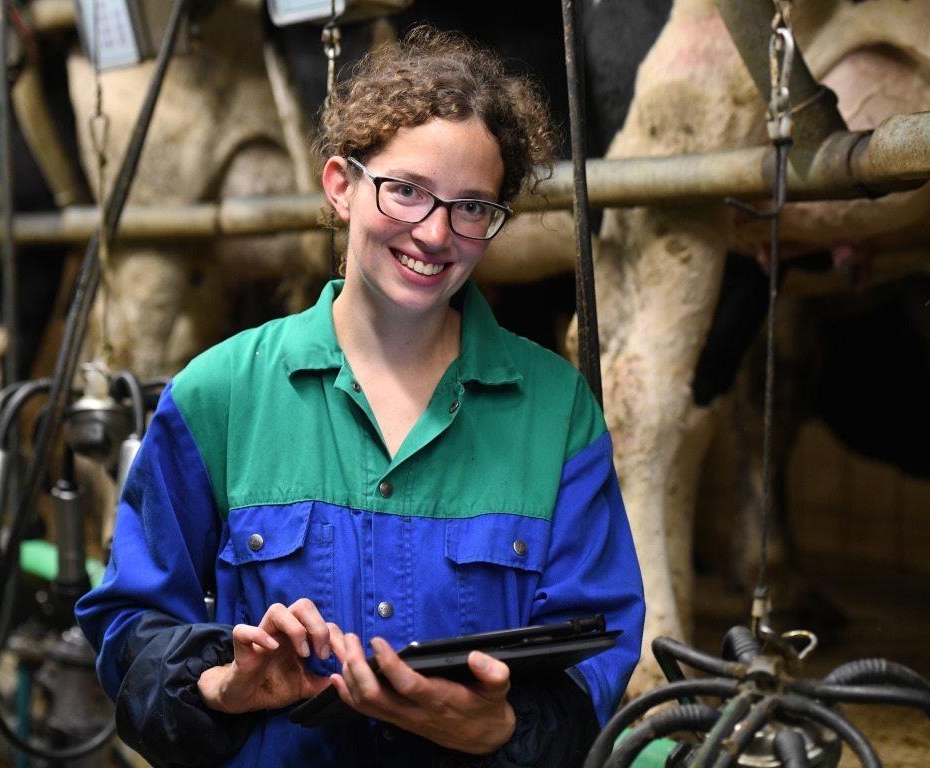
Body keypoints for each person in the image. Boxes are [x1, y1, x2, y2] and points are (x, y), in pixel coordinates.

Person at [75, 25, 645, 767]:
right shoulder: (220, 393)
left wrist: (501, 731)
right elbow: (129, 629)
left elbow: (596, 651)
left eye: (472, 207)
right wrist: (223, 684)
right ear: (341, 187)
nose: (435, 233)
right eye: (406, 190)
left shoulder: (555, 408)